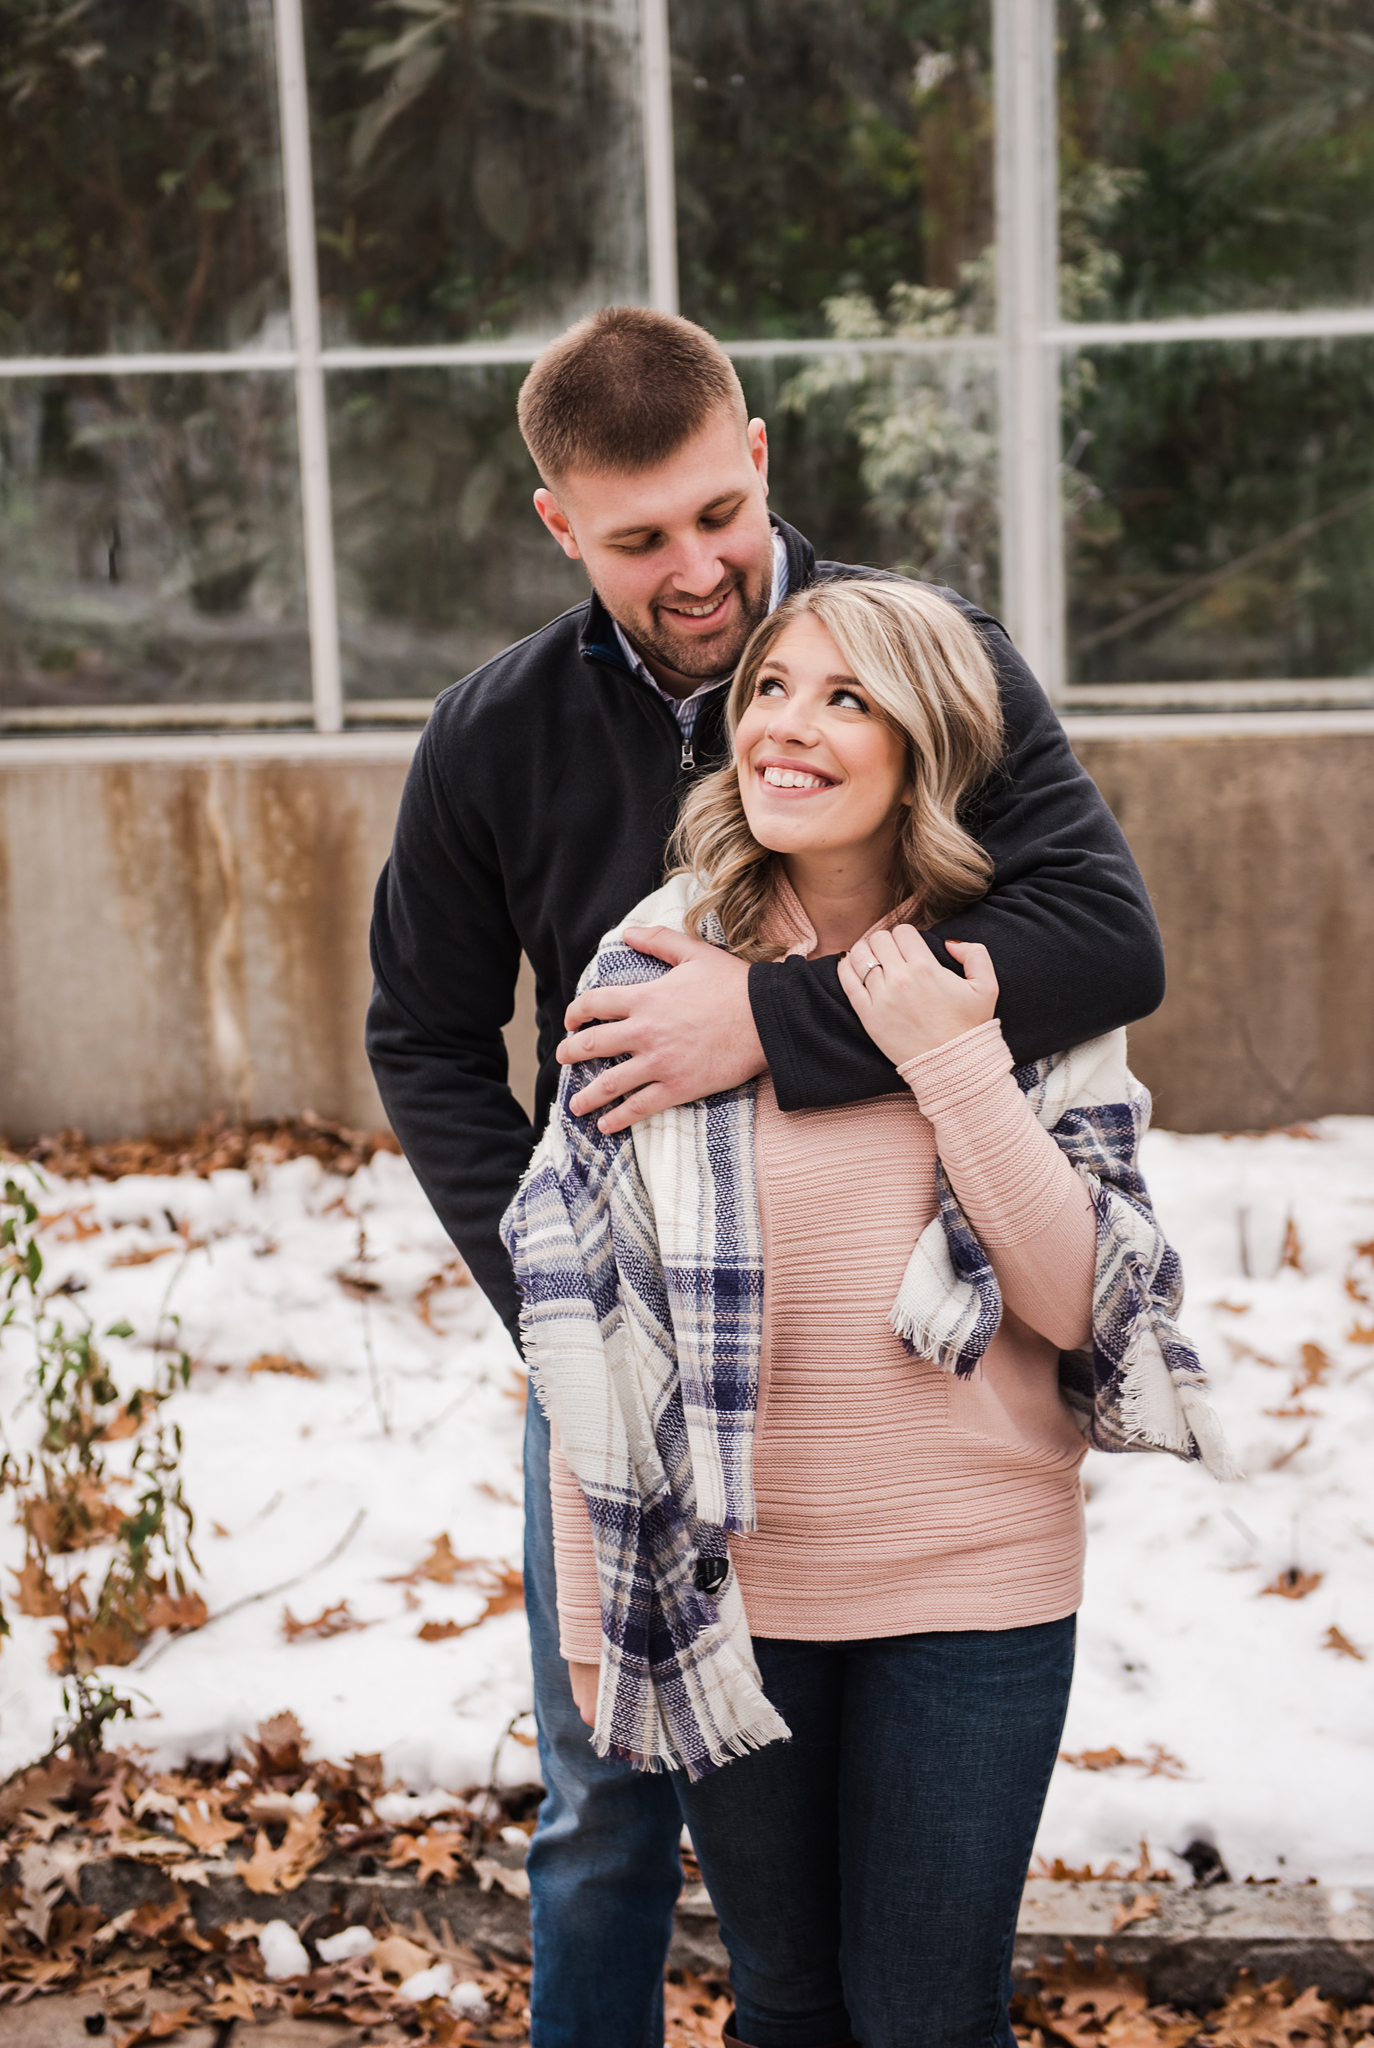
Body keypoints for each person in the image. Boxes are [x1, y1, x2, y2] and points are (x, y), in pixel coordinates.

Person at [366, 306, 1166, 2048]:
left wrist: (772, 1022)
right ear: (559, 525)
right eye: (640, 538)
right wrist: (568, 1305)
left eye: (720, 515)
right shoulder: (491, 734)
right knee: (598, 1816)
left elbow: (1101, 941)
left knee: (901, 1970)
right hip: (623, 1339)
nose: (702, 570)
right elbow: (425, 1041)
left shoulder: (907, 653)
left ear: (759, 461)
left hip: (916, 1430)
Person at [504, 578, 1227, 2048]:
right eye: (772, 688)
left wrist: (946, 1058)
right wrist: (593, 1623)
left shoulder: (1013, 972)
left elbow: (1080, 1303)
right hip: (737, 1592)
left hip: (972, 1590)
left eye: (848, 699)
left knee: (925, 2015)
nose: (789, 726)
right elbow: (586, 1317)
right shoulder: (648, 963)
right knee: (783, 2002)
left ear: (927, 745)